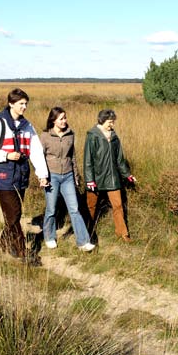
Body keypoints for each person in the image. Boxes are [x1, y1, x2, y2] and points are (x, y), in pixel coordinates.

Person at [0, 88, 49, 265]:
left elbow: (36, 152)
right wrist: (6, 156)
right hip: (3, 174)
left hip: (22, 175)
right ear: (11, 104)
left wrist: (42, 174)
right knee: (14, 214)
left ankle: (4, 243)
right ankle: (21, 251)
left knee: (12, 215)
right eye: (21, 104)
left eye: (26, 104)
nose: (24, 107)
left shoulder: (28, 126)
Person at [40, 107, 95, 252]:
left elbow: (73, 157)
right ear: (53, 120)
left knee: (74, 209)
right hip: (52, 176)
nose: (64, 121)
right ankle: (49, 236)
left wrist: (76, 176)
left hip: (68, 176)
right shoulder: (45, 136)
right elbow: (39, 158)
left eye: (65, 118)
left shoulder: (70, 134)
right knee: (51, 209)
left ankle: (83, 242)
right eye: (61, 119)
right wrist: (42, 176)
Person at [84, 109, 136, 243]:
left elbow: (120, 160)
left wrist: (128, 175)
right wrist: (90, 180)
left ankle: (123, 233)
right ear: (102, 121)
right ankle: (87, 232)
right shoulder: (92, 135)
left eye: (113, 122)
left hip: (113, 178)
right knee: (91, 206)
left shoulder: (114, 137)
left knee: (118, 206)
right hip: (96, 178)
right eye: (110, 122)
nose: (112, 125)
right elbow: (88, 160)